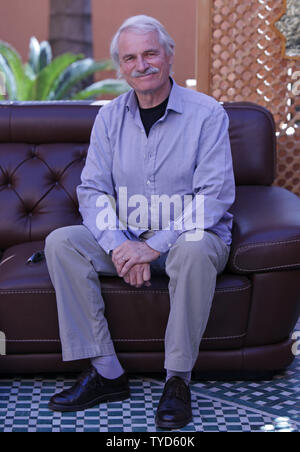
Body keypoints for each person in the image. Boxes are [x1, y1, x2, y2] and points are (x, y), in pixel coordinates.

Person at [45, 15, 235, 430]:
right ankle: (107, 371)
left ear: (168, 55)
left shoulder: (207, 114)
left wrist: (153, 246)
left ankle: (177, 380)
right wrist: (120, 246)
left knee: (196, 246)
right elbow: (92, 191)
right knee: (62, 242)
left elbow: (214, 196)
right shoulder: (109, 118)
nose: (141, 64)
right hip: (129, 235)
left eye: (150, 53)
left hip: (189, 238)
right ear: (120, 67)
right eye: (130, 57)